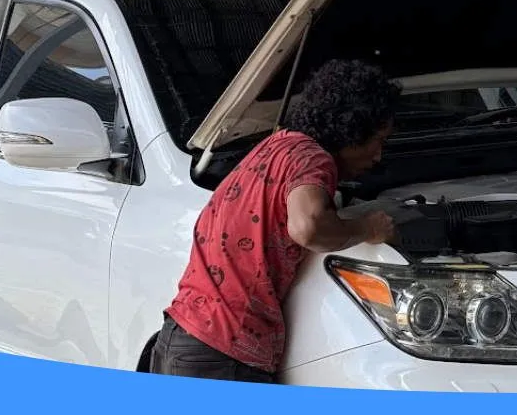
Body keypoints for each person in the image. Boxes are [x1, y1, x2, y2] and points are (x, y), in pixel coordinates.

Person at [150, 59, 400, 384]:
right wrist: (368, 228)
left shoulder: (274, 146)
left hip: (181, 337)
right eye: (378, 141)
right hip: (225, 355)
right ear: (352, 129)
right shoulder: (313, 159)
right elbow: (308, 227)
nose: (379, 156)